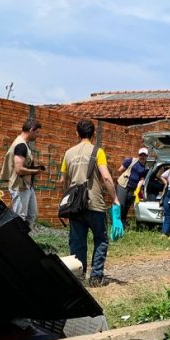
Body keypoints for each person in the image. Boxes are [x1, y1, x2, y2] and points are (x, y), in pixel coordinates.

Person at [60, 119, 119, 287]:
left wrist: (67, 196)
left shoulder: (68, 153)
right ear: (94, 134)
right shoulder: (97, 151)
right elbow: (106, 177)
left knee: (77, 241)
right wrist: (114, 198)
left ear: (77, 133)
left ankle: (78, 276)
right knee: (100, 238)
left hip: (75, 205)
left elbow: (62, 180)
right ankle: (96, 276)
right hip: (94, 203)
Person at [0, 118, 44, 228]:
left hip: (26, 186)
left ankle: (24, 240)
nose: (37, 135)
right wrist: (35, 171)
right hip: (19, 186)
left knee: (31, 215)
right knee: (20, 217)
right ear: (31, 130)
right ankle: (15, 242)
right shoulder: (21, 145)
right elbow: (19, 169)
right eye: (37, 132)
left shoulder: (24, 144)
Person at [116, 147, 149, 226]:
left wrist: (138, 189)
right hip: (123, 185)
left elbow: (141, 179)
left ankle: (123, 221)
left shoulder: (146, 168)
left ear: (147, 156)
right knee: (121, 203)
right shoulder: (131, 161)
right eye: (141, 155)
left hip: (133, 188)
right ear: (138, 155)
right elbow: (120, 170)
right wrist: (119, 179)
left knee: (127, 205)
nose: (142, 157)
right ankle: (117, 220)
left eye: (144, 155)